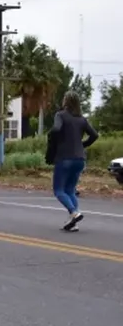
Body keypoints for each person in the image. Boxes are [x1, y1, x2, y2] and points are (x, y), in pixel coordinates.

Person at [49, 91, 99, 231]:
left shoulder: (60, 115)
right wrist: (82, 145)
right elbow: (94, 135)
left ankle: (74, 212)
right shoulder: (82, 119)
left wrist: (53, 140)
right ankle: (73, 222)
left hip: (64, 157)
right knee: (70, 190)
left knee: (59, 190)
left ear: (66, 101)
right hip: (80, 159)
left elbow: (56, 129)